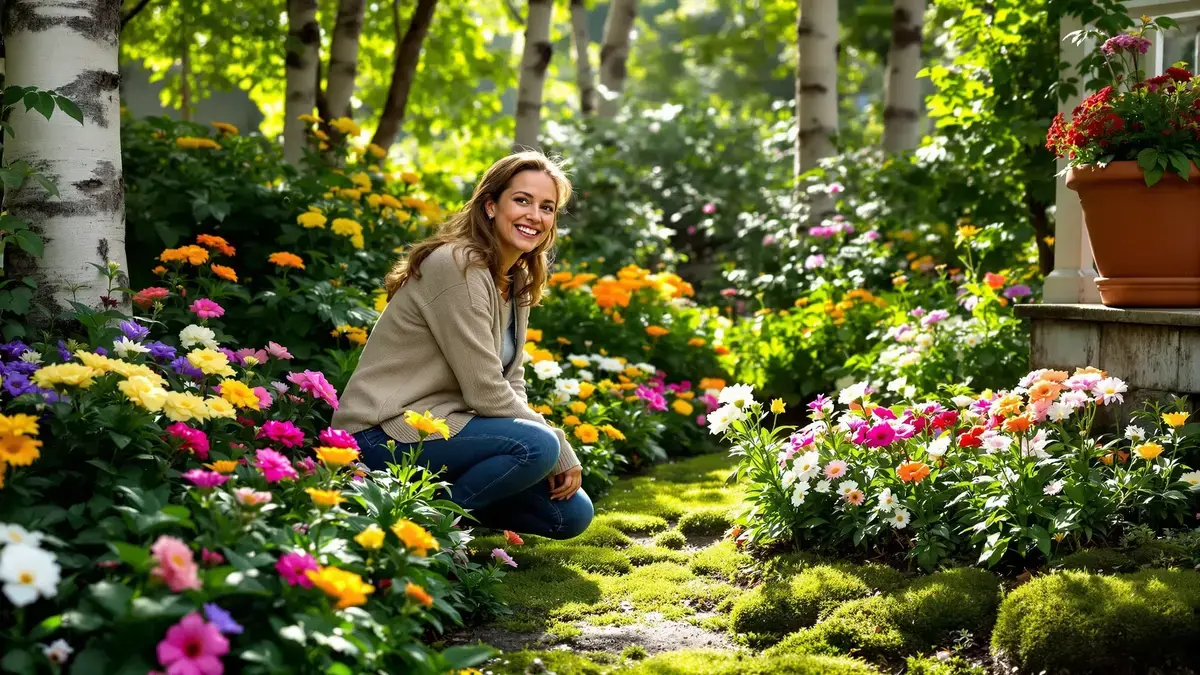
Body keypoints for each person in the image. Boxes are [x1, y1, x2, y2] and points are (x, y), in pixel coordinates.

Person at [333, 151, 593, 540]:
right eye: (521, 200)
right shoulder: (457, 266)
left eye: (547, 207)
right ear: (490, 205)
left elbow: (512, 381)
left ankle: (437, 507)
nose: (534, 216)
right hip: (382, 435)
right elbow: (484, 388)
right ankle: (424, 534)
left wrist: (549, 443)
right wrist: (558, 443)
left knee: (570, 514)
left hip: (442, 433)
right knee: (537, 447)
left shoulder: (514, 282)